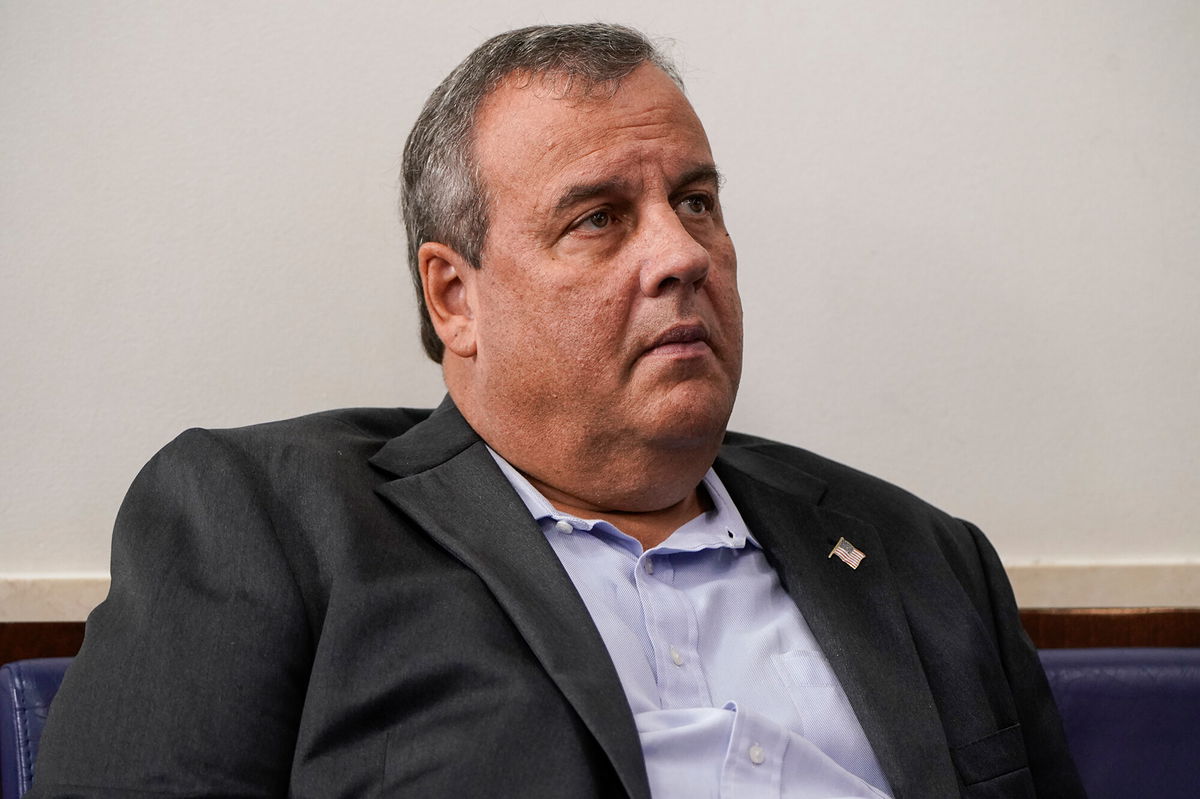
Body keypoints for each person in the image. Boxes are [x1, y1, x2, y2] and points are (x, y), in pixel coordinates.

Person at [31, 23, 1083, 799]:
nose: (680, 254)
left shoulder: (924, 555)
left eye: (698, 203)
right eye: (599, 219)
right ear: (456, 296)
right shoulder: (270, 520)